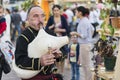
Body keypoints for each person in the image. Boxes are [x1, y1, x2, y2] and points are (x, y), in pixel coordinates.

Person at [15, 5, 63, 80]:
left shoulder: (50, 34)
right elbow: (19, 61)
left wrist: (58, 55)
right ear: (28, 18)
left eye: (42, 16)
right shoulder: (23, 37)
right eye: (35, 16)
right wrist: (39, 62)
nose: (40, 20)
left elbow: (61, 53)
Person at [45, 4, 69, 74]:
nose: (56, 12)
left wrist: (59, 30)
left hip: (62, 40)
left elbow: (67, 30)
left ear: (59, 11)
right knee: (55, 57)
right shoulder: (51, 18)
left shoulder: (63, 18)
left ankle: (62, 72)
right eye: (54, 10)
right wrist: (52, 27)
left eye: (57, 10)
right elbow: (46, 29)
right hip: (54, 41)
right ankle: (56, 73)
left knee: (63, 57)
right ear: (52, 11)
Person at [71, 6, 93, 80]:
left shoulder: (84, 21)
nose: (75, 13)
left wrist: (75, 33)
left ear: (80, 13)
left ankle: (88, 78)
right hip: (85, 44)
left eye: (76, 12)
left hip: (84, 45)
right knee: (84, 64)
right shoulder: (83, 20)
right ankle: (87, 78)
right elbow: (92, 30)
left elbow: (84, 35)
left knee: (86, 64)